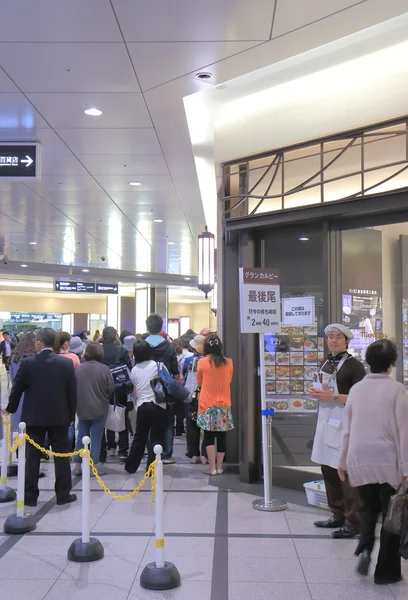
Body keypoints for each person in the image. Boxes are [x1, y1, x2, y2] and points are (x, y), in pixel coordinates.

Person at [338, 339, 408, 585]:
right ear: (391, 365)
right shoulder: (398, 390)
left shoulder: (356, 390)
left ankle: (365, 548)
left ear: (368, 362)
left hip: (359, 457)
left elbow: (347, 429)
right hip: (387, 460)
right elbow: (403, 432)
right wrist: (407, 468)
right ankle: (386, 572)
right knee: (391, 516)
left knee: (368, 508)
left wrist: (342, 460)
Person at [3, 328, 77, 507]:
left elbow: (17, 389)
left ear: (39, 343)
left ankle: (30, 496)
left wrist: (10, 408)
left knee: (32, 457)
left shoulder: (28, 364)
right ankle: (63, 494)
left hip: (34, 418)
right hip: (60, 417)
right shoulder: (66, 364)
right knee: (61, 456)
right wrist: (71, 415)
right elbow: (72, 393)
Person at [309, 323, 366, 539]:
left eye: (338, 337)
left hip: (345, 421)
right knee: (328, 468)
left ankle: (354, 521)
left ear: (347, 341)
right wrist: (316, 393)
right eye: (330, 337)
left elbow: (361, 399)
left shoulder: (355, 366)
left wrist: (332, 397)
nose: (333, 341)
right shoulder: (325, 362)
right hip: (326, 420)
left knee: (345, 472)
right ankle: (337, 513)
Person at [124, 340, 168, 474]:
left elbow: (135, 389)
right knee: (156, 437)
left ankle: (131, 466)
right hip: (158, 404)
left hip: (142, 406)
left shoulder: (134, 370)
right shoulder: (157, 365)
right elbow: (167, 380)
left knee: (139, 437)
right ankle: (152, 468)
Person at [72, 342, 114, 477]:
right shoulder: (105, 369)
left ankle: (77, 465)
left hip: (82, 407)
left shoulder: (79, 368)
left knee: (81, 436)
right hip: (100, 408)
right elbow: (111, 388)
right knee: (96, 437)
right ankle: (93, 466)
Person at [196, 334, 233, 475]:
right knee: (222, 436)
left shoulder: (202, 362)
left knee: (208, 435)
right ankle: (219, 466)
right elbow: (228, 379)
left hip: (207, 404)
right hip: (224, 403)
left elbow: (199, 382)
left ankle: (212, 468)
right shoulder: (229, 362)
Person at [145, 314, 180, 465]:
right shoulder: (169, 345)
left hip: (147, 387)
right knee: (167, 422)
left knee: (147, 421)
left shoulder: (142, 344)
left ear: (148, 327)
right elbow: (175, 370)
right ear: (161, 328)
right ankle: (166, 454)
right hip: (165, 389)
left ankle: (152, 453)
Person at [100, 326, 132, 463]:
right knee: (121, 416)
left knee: (102, 418)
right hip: (120, 388)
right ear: (115, 336)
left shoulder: (98, 350)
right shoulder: (122, 350)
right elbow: (129, 370)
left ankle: (108, 447)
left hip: (101, 388)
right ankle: (123, 451)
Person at [184, 334, 207, 464]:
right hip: (205, 395)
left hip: (192, 395)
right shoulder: (209, 361)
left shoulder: (189, 361)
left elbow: (183, 374)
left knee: (192, 425)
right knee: (205, 425)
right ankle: (205, 454)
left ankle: (194, 454)